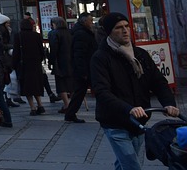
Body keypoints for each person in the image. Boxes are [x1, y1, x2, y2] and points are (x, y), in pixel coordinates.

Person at [91, 12, 179, 170]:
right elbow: (102, 92)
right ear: (109, 32)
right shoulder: (101, 58)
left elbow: (158, 82)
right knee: (132, 165)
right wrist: (128, 109)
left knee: (125, 163)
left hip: (139, 120)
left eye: (127, 26)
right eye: (118, 28)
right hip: (115, 121)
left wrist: (169, 103)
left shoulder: (140, 55)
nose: (125, 30)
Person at [64, 12, 96, 123]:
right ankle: (70, 113)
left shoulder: (83, 32)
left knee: (80, 92)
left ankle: (70, 113)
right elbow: (79, 54)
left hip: (86, 67)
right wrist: (83, 71)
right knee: (81, 92)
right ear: (84, 21)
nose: (92, 23)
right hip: (85, 68)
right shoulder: (81, 34)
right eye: (90, 20)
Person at [12, 17, 46, 115]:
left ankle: (32, 107)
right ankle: (40, 105)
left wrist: (13, 65)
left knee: (27, 88)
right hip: (35, 64)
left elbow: (16, 52)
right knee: (36, 86)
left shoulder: (18, 36)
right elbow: (41, 51)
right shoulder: (37, 35)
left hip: (24, 65)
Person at [48, 16, 72, 111]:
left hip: (60, 62)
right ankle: (73, 104)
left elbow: (54, 49)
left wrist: (51, 61)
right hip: (71, 60)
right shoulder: (70, 32)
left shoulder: (55, 33)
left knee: (61, 85)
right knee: (71, 83)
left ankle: (66, 104)